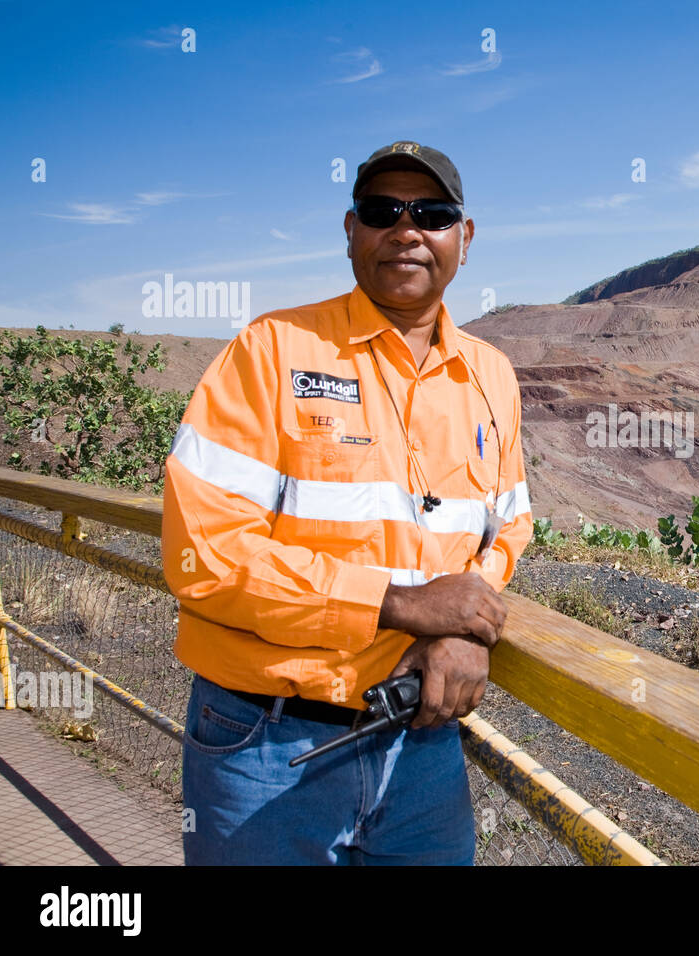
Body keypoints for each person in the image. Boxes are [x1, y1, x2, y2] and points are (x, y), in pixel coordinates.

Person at [161, 141, 532, 865]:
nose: (406, 229)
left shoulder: (492, 375)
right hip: (263, 745)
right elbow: (203, 554)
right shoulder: (270, 351)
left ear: (465, 236)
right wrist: (396, 603)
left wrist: (468, 620)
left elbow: (507, 524)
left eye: (431, 212)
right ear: (351, 228)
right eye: (381, 210)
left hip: (421, 748)